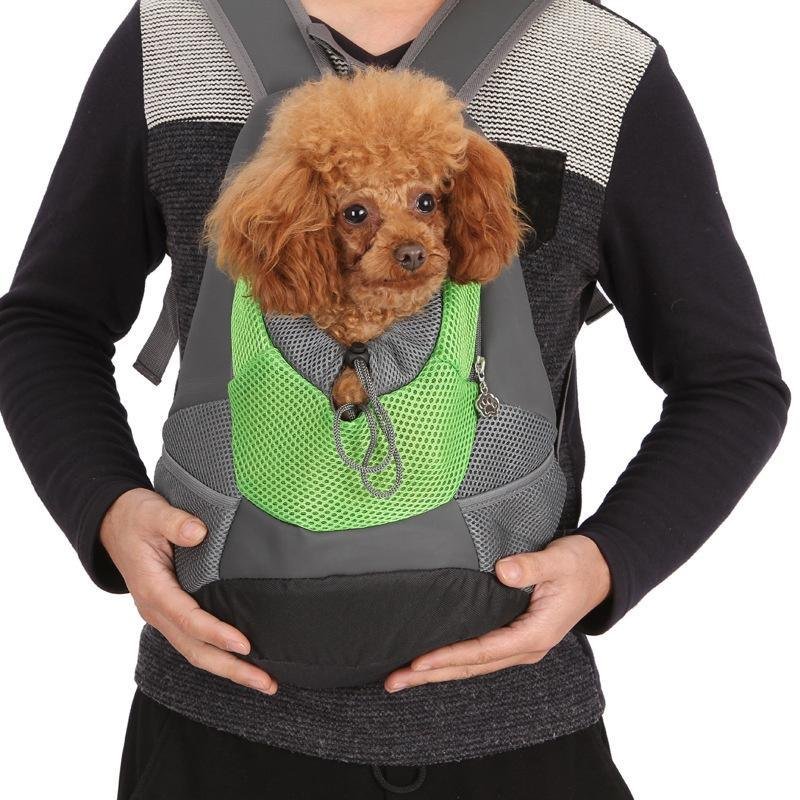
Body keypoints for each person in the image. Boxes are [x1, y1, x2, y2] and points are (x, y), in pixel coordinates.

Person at [0, 1, 789, 798]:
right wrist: (105, 507)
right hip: (214, 728)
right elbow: (46, 322)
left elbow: (732, 382)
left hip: (513, 735)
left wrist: (609, 562)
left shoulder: (599, 65)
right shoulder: (173, 40)